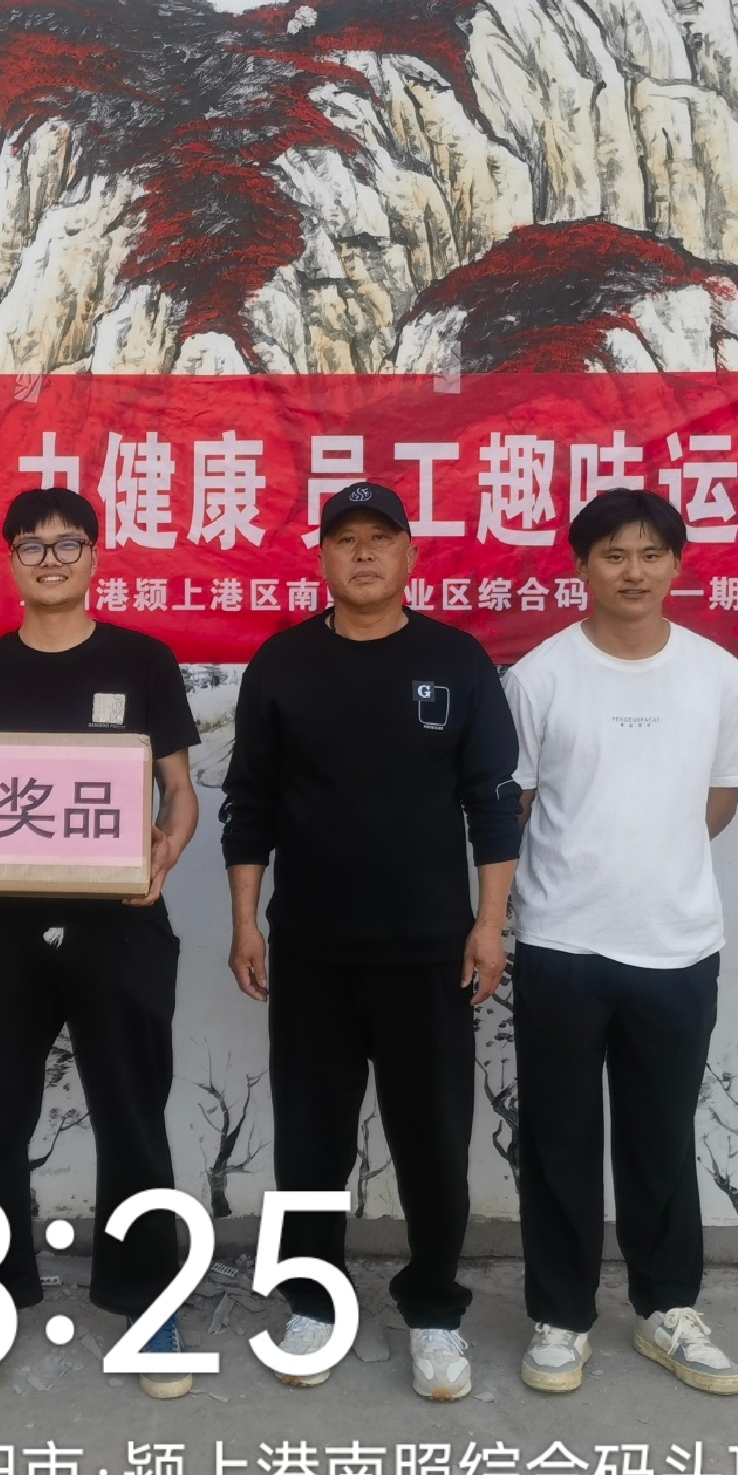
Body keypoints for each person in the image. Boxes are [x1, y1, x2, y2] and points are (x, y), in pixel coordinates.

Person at [222, 480, 521, 1403]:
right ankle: (313, 1304)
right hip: (311, 949)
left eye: (379, 539)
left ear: (409, 555)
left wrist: (489, 924)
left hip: (429, 953)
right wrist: (245, 919)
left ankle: (433, 1311)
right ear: (322, 557)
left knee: (433, 1143)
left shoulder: (456, 661)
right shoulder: (282, 664)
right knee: (310, 1144)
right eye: (345, 539)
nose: (362, 554)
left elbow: (492, 802)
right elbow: (249, 803)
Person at [0, 486, 202, 1401]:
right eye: (32, 546)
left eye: (67, 543)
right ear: (9, 561)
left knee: (133, 1118)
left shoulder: (144, 660)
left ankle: (149, 1303)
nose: (50, 559)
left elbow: (179, 792)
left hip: (120, 926)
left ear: (95, 556)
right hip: (1, 929)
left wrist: (165, 851)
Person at [502, 488, 738, 1399]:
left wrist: (656, 859)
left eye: (652, 554)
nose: (633, 571)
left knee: (661, 1137)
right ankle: (560, 1314)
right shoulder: (541, 676)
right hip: (561, 942)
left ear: (678, 565)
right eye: (613, 554)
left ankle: (667, 1308)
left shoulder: (714, 674)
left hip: (676, 944)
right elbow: (515, 803)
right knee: (559, 1140)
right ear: (581, 566)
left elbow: (720, 801)